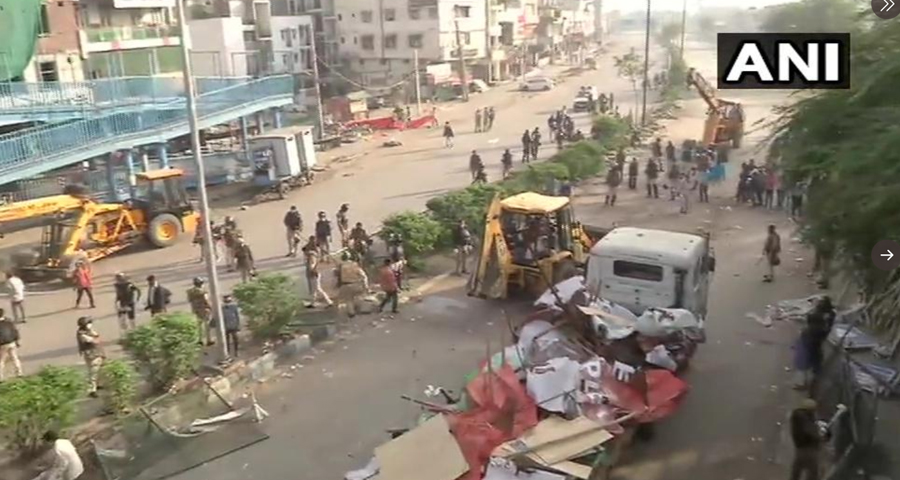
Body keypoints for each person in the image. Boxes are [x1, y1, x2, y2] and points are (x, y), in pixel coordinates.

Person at [789, 399, 823, 480]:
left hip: (800, 447)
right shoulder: (806, 420)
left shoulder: (798, 417)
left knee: (797, 470)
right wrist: (819, 436)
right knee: (813, 471)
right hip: (808, 448)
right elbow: (809, 431)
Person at [76, 316, 104, 397]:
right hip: (91, 354)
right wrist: (96, 338)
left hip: (95, 353)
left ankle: (97, 385)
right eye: (89, 323)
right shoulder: (82, 334)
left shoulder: (87, 331)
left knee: (98, 369)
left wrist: (95, 336)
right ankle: (92, 390)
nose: (91, 324)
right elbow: (95, 340)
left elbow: (96, 335)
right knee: (93, 371)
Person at [334, 252, 369, 318]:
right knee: (359, 296)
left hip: (345, 285)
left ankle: (351, 313)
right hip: (356, 284)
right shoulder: (354, 265)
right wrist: (365, 285)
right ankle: (358, 307)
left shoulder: (341, 266)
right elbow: (363, 276)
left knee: (348, 300)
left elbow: (337, 275)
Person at [303, 236, 333, 307]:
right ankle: (313, 303)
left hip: (313, 274)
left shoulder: (312, 257)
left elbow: (312, 266)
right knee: (314, 290)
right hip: (313, 273)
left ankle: (329, 301)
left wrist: (311, 271)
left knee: (318, 289)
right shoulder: (312, 254)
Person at [187, 277, 214, 346]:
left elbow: (190, 300)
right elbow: (206, 300)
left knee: (199, 325)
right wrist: (211, 307)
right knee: (207, 325)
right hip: (204, 309)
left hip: (195, 309)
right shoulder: (203, 291)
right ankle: (209, 340)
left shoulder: (191, 291)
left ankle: (200, 340)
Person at [0, 308, 23, 381]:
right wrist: (17, 341)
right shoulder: (9, 321)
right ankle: (19, 372)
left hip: (3, 344)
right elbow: (15, 331)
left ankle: (1, 377)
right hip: (11, 342)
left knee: (1, 360)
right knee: (14, 357)